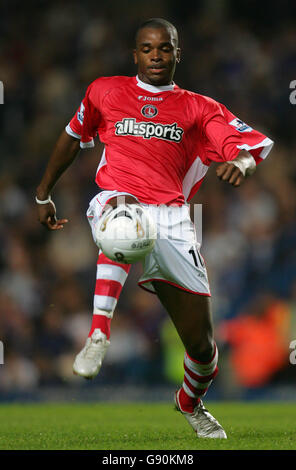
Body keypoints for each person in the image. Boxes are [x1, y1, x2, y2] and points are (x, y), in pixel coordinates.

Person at [36, 18, 274, 438]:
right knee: (124, 219)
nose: (156, 56)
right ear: (135, 55)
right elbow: (73, 136)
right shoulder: (105, 90)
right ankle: (98, 333)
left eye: (165, 49)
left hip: (173, 221)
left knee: (202, 349)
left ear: (177, 53)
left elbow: (249, 145)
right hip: (115, 200)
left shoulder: (199, 108)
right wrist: (43, 194)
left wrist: (241, 162)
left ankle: (189, 402)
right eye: (147, 49)